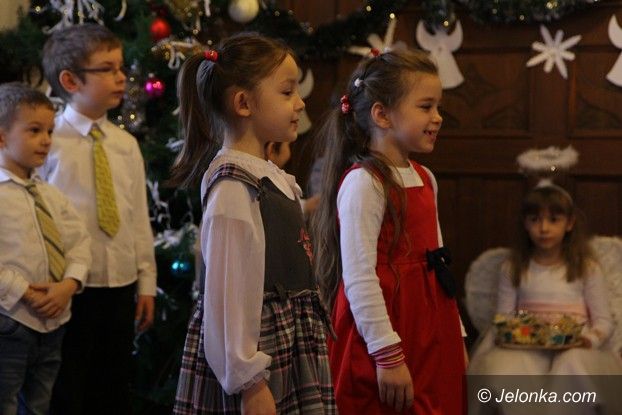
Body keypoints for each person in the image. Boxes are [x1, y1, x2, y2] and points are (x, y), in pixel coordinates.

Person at [170, 33, 336, 414]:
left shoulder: (267, 176)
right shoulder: (233, 187)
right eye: (287, 92)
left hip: (288, 347)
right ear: (243, 103)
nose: (300, 102)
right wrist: (249, 382)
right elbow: (227, 299)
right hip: (260, 358)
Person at [311, 49, 466, 414]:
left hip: (430, 328)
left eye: (438, 107)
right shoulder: (365, 183)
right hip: (383, 333)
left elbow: (439, 267)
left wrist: (456, 334)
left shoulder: (425, 178)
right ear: (381, 114)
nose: (438, 117)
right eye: (426, 107)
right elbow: (359, 277)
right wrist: (387, 354)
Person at [39, 24, 157, 415]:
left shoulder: (126, 145)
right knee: (68, 387)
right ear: (70, 81)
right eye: (107, 69)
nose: (121, 77)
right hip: (69, 287)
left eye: (121, 67)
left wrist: (146, 282)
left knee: (112, 385)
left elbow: (138, 217)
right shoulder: (48, 143)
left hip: (120, 284)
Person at [0, 83, 91, 415]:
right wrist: (24, 292)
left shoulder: (51, 195)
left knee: (39, 405)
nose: (46, 140)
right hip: (9, 322)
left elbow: (80, 242)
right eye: (34, 130)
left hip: (54, 325)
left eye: (50, 131)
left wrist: (69, 284)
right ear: (1, 137)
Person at [468, 183, 622, 375]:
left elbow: (603, 320)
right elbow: (504, 318)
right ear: (525, 223)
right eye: (535, 220)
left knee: (572, 366)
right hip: (527, 344)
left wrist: (589, 339)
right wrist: (509, 334)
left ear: (570, 223)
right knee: (505, 369)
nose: (544, 228)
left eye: (554, 220)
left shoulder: (586, 268)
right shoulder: (513, 268)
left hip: (573, 346)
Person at [264, 141, 320, 219]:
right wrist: (305, 206)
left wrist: (306, 205)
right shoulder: (268, 185)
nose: (290, 152)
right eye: (288, 145)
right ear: (272, 149)